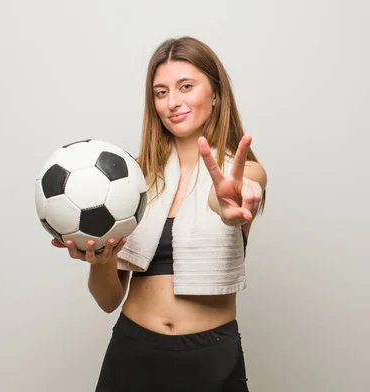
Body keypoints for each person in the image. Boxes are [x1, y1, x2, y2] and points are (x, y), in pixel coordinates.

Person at [52, 36, 267, 392]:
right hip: (132, 352)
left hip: (209, 358)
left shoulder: (243, 174)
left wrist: (229, 203)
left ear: (215, 94)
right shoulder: (130, 180)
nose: (173, 102)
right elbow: (108, 301)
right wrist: (100, 260)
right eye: (161, 92)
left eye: (186, 86)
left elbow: (232, 198)